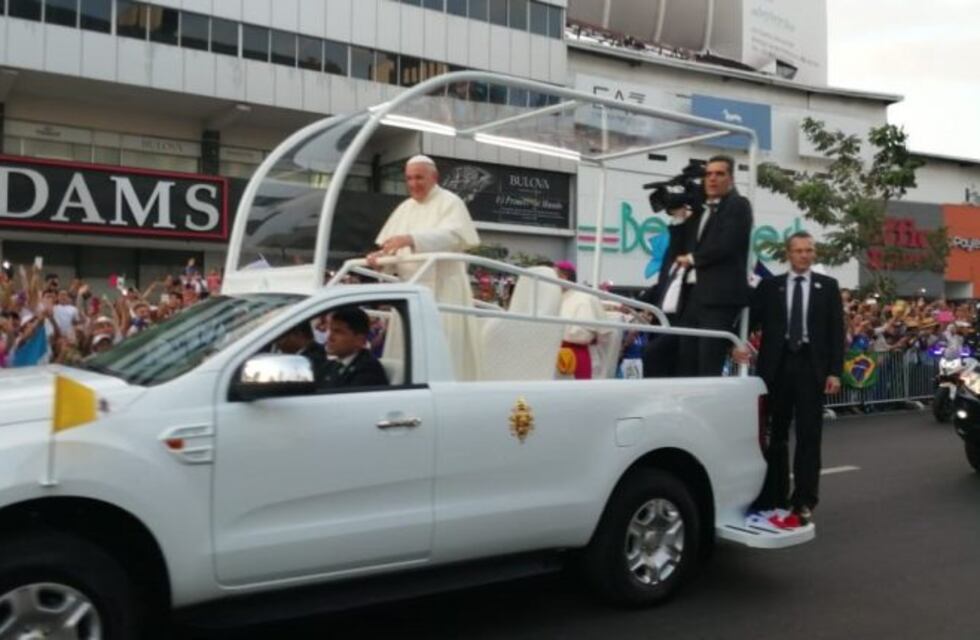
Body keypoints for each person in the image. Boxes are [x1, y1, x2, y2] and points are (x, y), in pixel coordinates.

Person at [737, 231, 844, 526]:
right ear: (788, 254)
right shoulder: (771, 286)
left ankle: (804, 500)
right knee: (775, 436)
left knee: (809, 437)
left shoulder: (828, 287)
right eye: (798, 250)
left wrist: (835, 371)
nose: (804, 255)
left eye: (809, 250)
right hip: (777, 367)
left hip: (812, 368)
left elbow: (836, 332)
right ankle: (774, 495)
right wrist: (735, 344)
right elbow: (750, 321)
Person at [368, 155, 483, 381]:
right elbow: (392, 246)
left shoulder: (450, 202)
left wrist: (411, 239)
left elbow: (454, 235)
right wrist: (380, 257)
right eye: (409, 178)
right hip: (411, 290)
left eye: (419, 177)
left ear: (434, 177)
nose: (413, 183)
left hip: (444, 289)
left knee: (445, 348)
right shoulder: (404, 208)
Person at [673, 155, 753, 377]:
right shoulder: (701, 212)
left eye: (719, 174)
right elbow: (679, 248)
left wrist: (693, 259)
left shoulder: (738, 205)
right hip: (692, 296)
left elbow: (727, 244)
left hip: (718, 299)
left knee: (708, 365)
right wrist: (678, 217)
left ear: (731, 178)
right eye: (708, 174)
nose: (712, 179)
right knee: (685, 363)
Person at [554, 261, 609, 379]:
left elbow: (604, 334)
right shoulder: (553, 298)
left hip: (579, 353)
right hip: (554, 353)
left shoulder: (586, 297)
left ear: (563, 277)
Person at [321, 306, 389, 388]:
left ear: (360, 340)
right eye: (329, 330)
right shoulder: (331, 365)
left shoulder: (368, 372)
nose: (329, 337)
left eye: (338, 331)